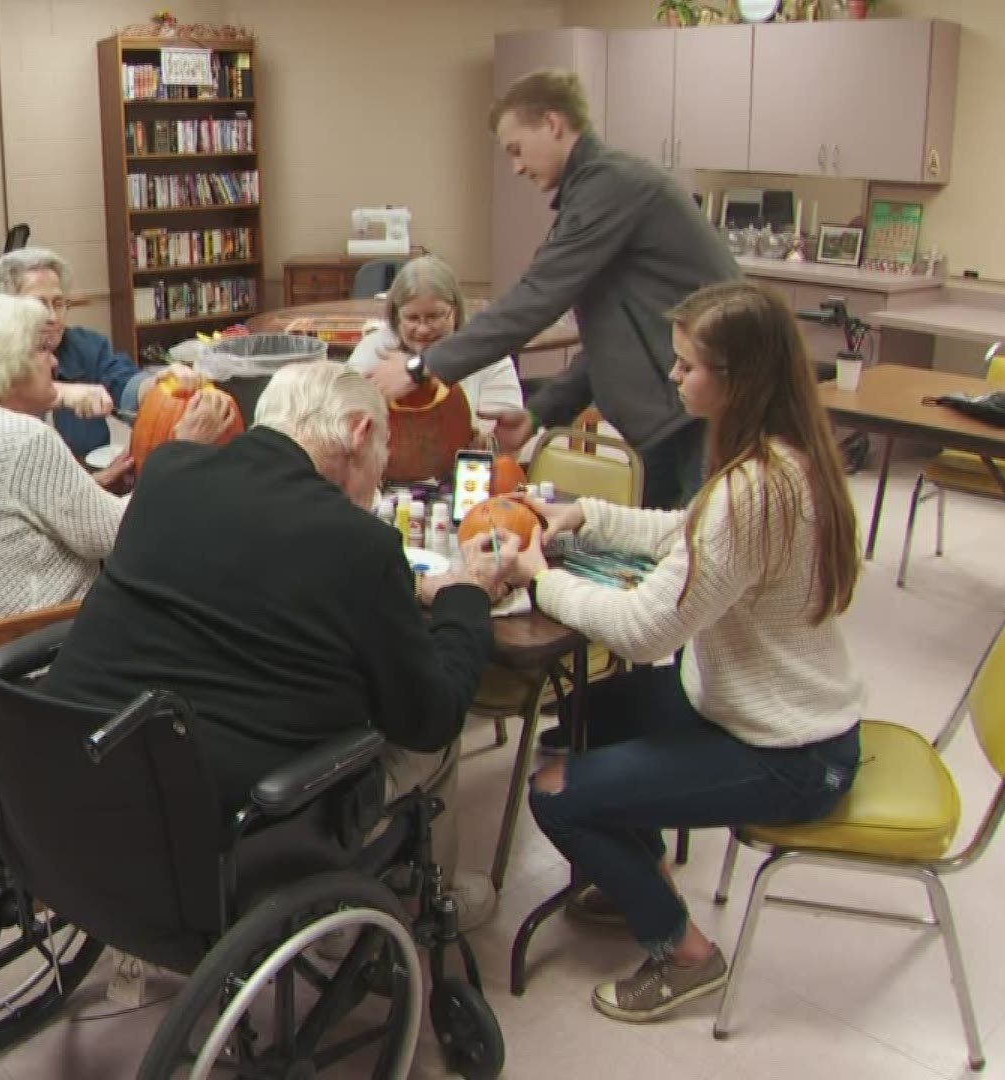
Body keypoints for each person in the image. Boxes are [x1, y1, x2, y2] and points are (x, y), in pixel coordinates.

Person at [493, 281, 864, 1022]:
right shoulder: (780, 457)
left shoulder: (755, 491)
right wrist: (584, 515)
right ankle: (641, 874)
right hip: (762, 710)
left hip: (790, 753)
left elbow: (644, 631)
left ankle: (684, 951)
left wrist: (540, 580)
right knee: (593, 715)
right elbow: (686, 532)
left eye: (688, 365)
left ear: (737, 381)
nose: (673, 375)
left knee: (555, 792)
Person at [41, 360, 519, 928]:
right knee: (435, 739)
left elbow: (252, 568)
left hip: (87, 773)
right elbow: (429, 716)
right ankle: (431, 900)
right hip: (232, 819)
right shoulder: (361, 544)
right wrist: (468, 594)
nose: (380, 478)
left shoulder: (168, 472)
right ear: (360, 433)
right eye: (383, 456)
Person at [366, 68, 740, 511]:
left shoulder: (611, 186)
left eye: (517, 149)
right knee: (661, 543)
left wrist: (421, 367)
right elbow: (613, 340)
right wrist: (541, 412)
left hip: (701, 412)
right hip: (671, 417)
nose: (517, 166)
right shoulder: (599, 191)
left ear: (552, 123)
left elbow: (535, 298)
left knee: (706, 542)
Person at [0, 293, 235, 632]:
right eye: (42, 350)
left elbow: (0, 511)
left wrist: (90, 488)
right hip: (25, 643)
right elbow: (117, 534)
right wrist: (180, 451)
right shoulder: (22, 438)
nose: (54, 363)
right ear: (4, 366)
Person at [0, 247, 199, 467]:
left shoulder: (84, 346)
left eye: (59, 303)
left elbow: (125, 384)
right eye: (38, 305)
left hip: (90, 477)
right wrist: (61, 394)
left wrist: (158, 383)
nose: (53, 317)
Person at [344, 255, 523, 442]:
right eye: (412, 318)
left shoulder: (488, 354)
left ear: (455, 311)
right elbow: (342, 422)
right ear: (396, 316)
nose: (423, 329)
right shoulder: (373, 349)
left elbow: (504, 437)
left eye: (434, 316)